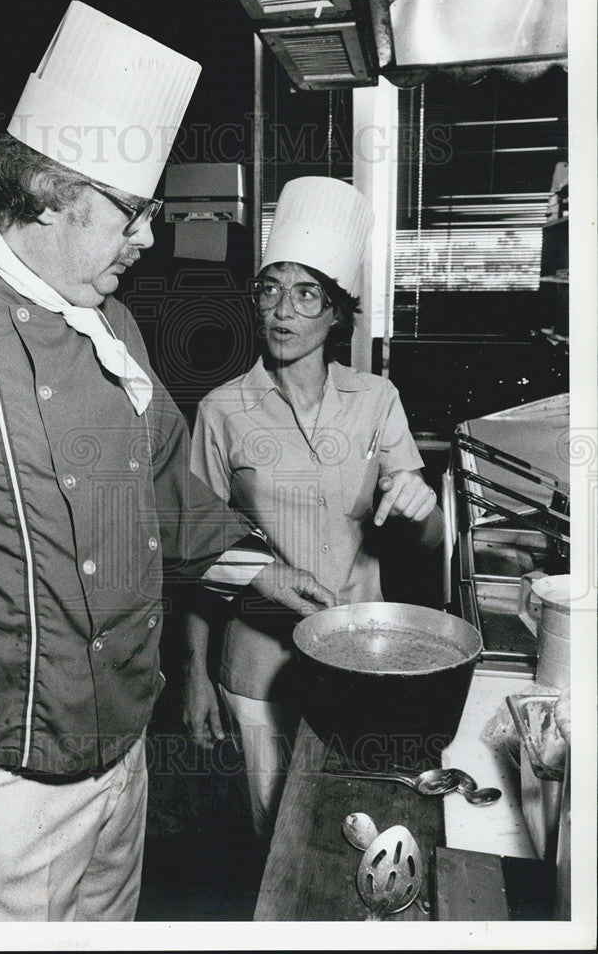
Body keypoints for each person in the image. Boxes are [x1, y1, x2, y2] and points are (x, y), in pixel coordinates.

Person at [0, 4, 336, 922]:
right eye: (134, 214)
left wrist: (267, 571)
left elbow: (165, 492)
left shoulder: (112, 324)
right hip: (5, 780)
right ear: (48, 191)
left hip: (124, 746)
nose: (149, 238)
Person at [181, 176, 444, 839]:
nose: (283, 311)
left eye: (305, 294)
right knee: (273, 832)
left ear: (336, 312)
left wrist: (424, 504)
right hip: (257, 661)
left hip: (359, 657)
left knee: (354, 818)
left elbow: (427, 543)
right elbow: (195, 551)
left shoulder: (376, 400)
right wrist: (190, 673)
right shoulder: (222, 410)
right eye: (270, 289)